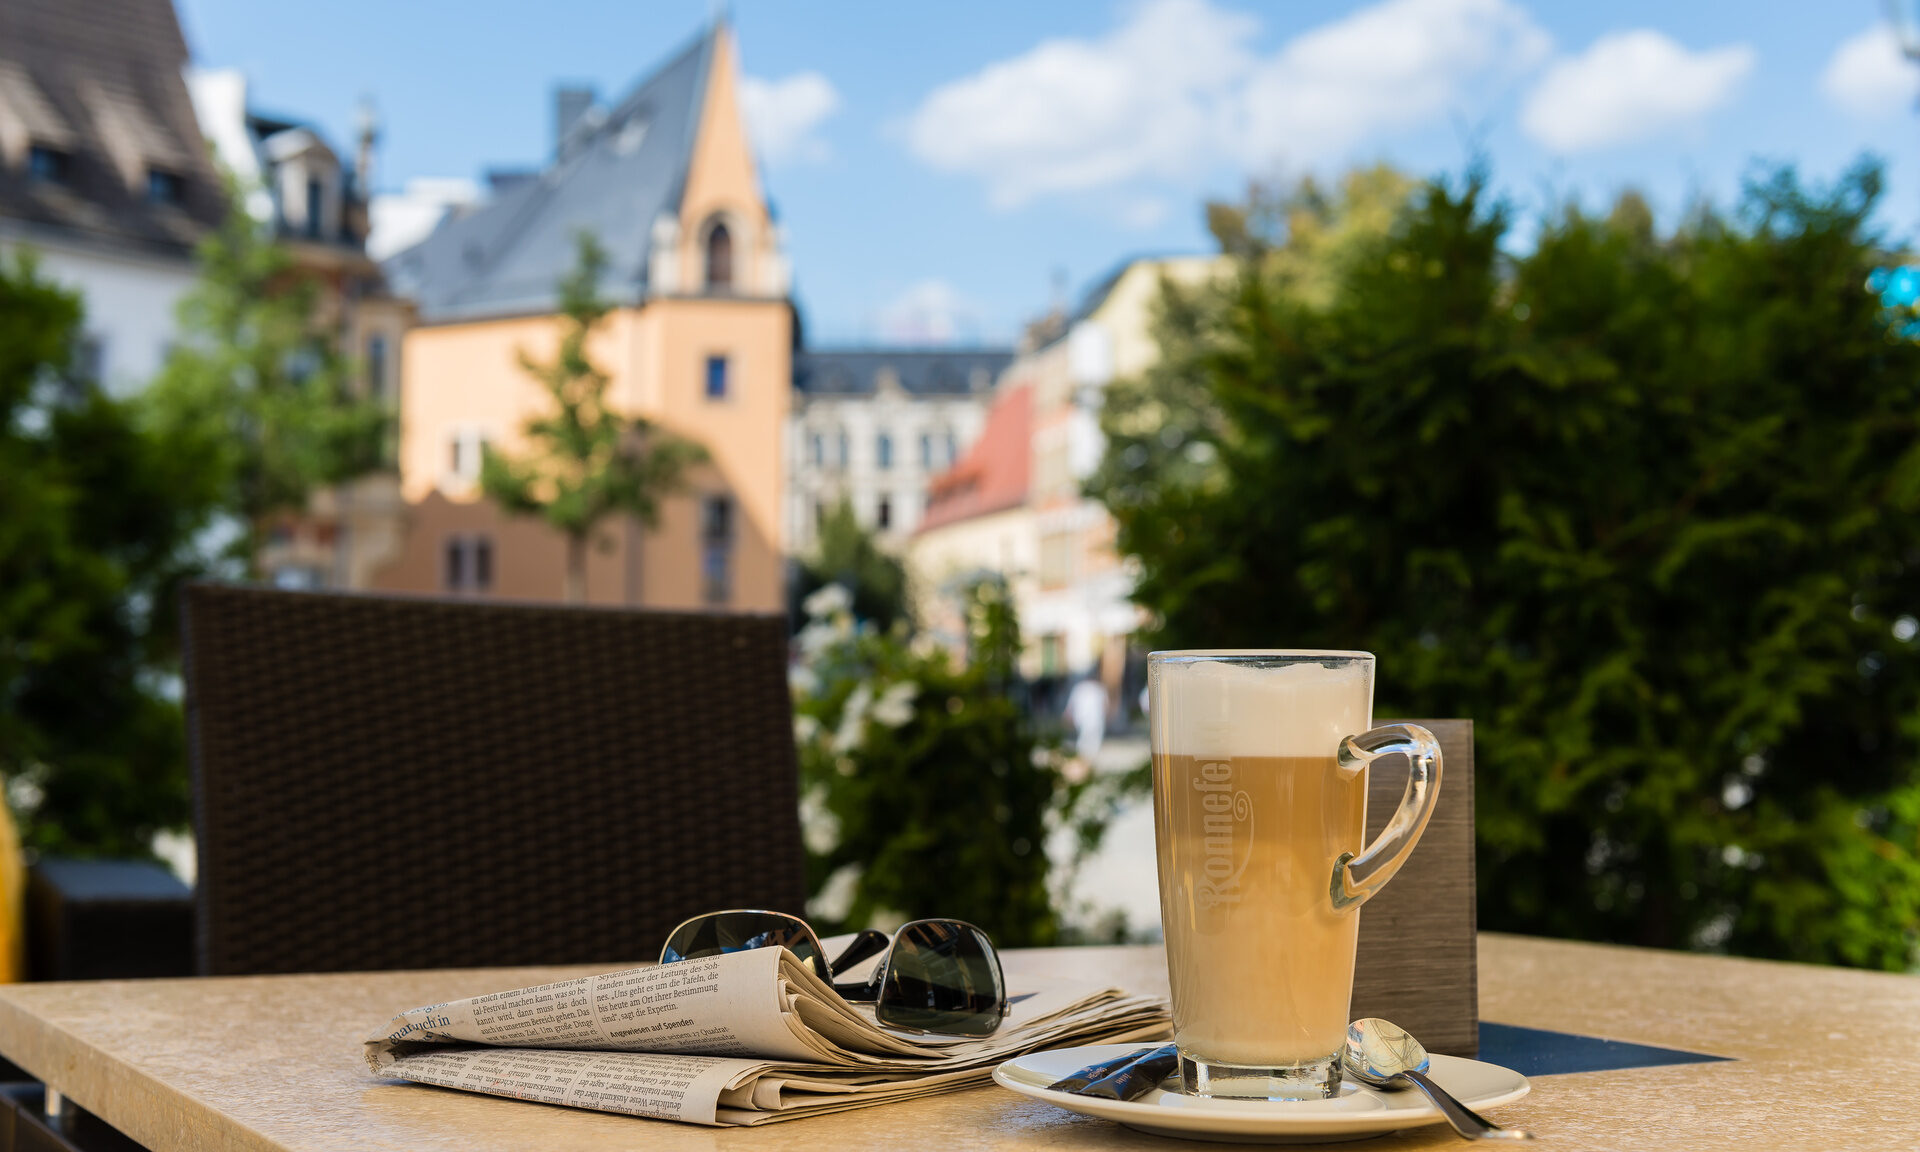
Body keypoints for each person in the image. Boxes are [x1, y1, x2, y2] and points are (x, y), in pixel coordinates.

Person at [1063, 676, 1109, 766]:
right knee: (1089, 743)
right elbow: (1105, 705)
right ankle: (1084, 763)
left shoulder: (1079, 687)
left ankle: (1085, 763)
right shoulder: (1098, 688)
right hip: (1094, 720)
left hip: (1083, 719)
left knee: (1087, 742)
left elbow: (1071, 705)